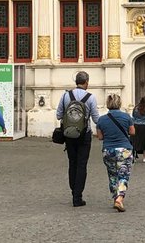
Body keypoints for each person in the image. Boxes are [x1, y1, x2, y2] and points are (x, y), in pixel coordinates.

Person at [56, 71, 100, 207]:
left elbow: (59, 115)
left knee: (72, 163)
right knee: (82, 164)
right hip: (84, 134)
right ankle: (77, 196)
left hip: (69, 134)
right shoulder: (90, 97)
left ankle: (73, 190)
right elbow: (96, 119)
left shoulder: (65, 96)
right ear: (86, 82)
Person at [94, 94, 135, 212]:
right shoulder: (126, 117)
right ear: (119, 103)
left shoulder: (101, 119)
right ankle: (120, 198)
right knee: (123, 175)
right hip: (124, 150)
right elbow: (132, 132)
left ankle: (115, 197)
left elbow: (100, 137)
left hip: (108, 150)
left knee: (112, 175)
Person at [131, 96, 145, 162]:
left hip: (136, 126)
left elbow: (133, 116)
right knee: (144, 142)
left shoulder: (136, 108)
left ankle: (133, 157)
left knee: (135, 141)